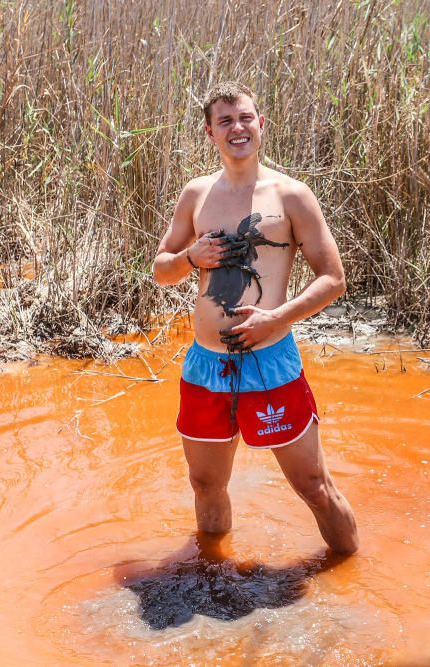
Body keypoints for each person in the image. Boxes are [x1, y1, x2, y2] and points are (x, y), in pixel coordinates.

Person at [152, 81, 359, 555]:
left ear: (261, 125)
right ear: (210, 133)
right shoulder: (196, 194)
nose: (237, 128)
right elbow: (161, 270)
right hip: (207, 365)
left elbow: (334, 279)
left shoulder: (291, 195)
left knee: (313, 487)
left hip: (269, 360)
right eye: (224, 121)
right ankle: (213, 577)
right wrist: (191, 257)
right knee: (205, 485)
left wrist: (277, 319)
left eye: (244, 118)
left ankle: (351, 577)